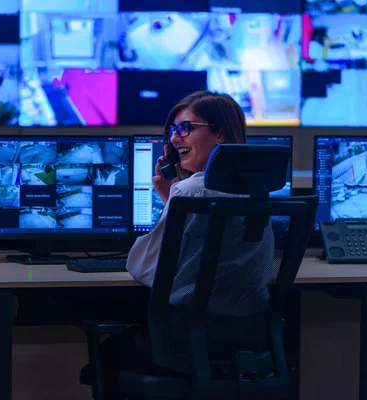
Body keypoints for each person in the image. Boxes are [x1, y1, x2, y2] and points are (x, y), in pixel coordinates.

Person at [88, 91, 275, 399]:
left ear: (221, 133)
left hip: (184, 344)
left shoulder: (189, 192)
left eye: (186, 128)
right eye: (174, 130)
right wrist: (171, 199)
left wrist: (172, 198)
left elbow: (142, 270)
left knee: (111, 349)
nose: (175, 139)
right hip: (248, 341)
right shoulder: (260, 190)